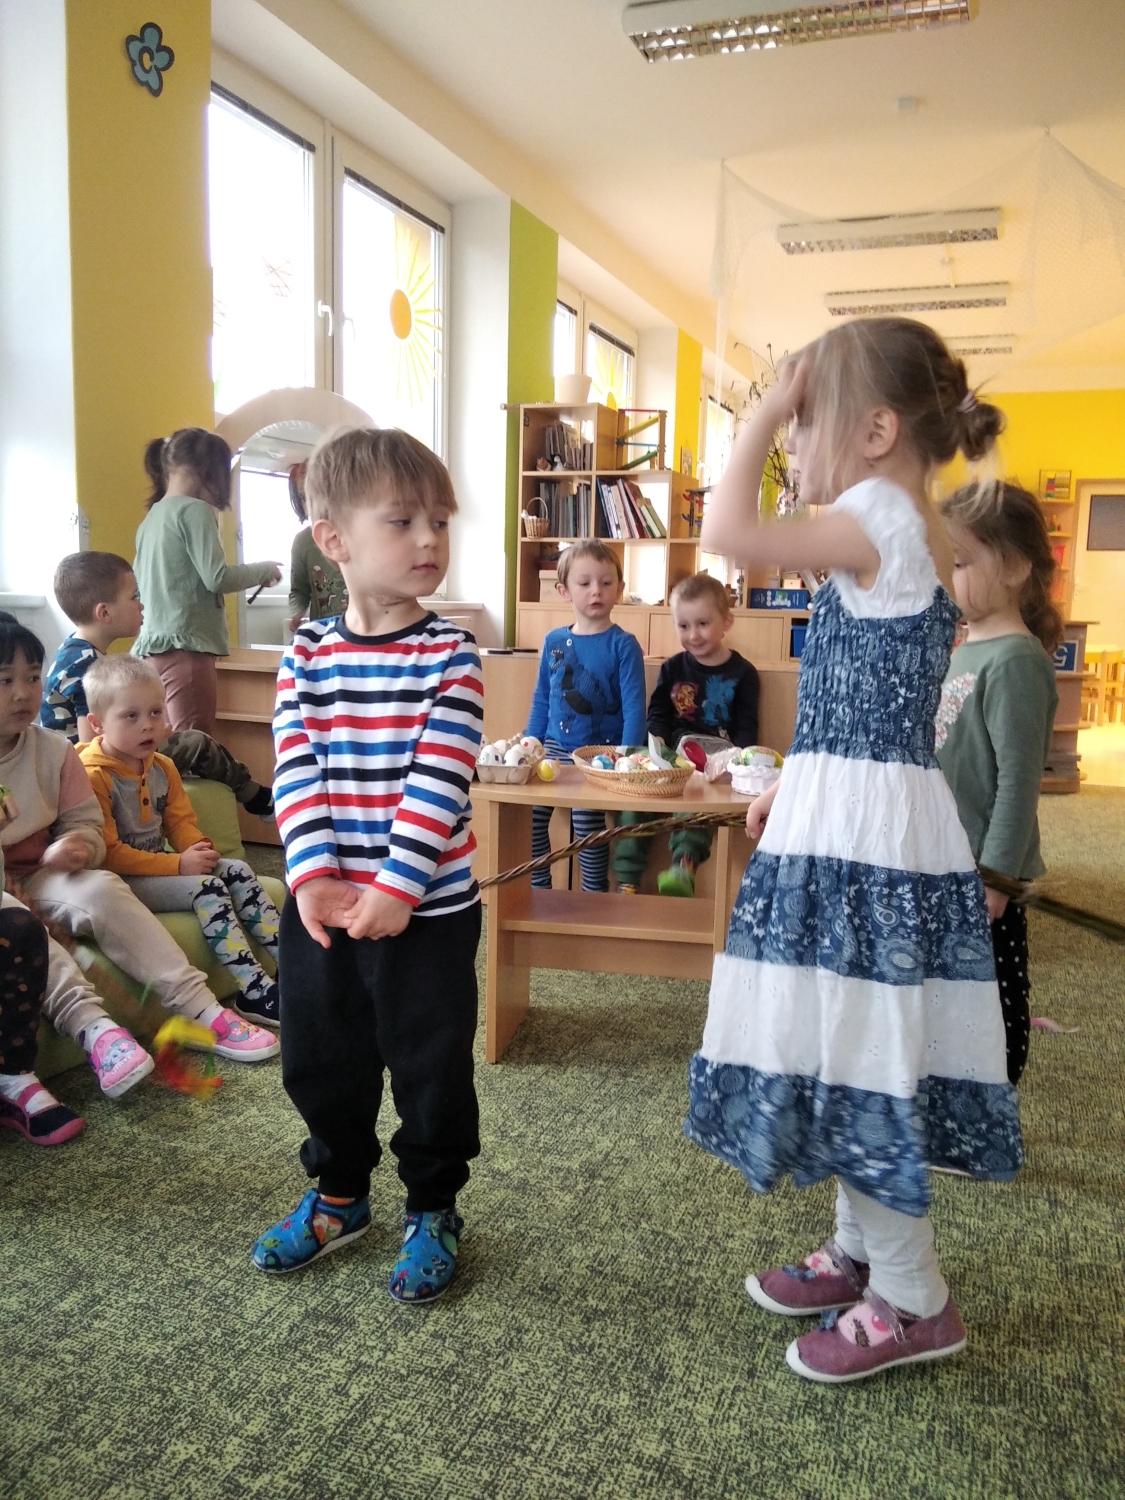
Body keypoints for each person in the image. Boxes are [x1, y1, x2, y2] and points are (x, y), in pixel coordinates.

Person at [683, 317, 1023, 1384]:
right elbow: (863, 701)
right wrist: (797, 780)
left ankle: (914, 1298)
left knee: (860, 1051)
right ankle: (861, 1251)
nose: (795, 442)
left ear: (876, 432)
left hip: (865, 840)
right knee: (849, 1039)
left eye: (809, 421)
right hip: (861, 819)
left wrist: (763, 405)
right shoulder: (907, 522)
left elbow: (727, 531)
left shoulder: (875, 512)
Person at [251, 427, 484, 1304]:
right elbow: (295, 767)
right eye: (402, 521)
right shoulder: (306, 653)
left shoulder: (450, 652)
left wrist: (396, 888)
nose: (429, 540)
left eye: (439, 521)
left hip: (426, 910)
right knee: (320, 1058)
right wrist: (311, 877)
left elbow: (439, 778)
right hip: (323, 909)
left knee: (430, 1065)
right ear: (334, 539)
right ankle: (339, 1195)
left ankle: (432, 1206)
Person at [0, 614, 279, 1067]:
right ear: (99, 723)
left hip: (49, 875)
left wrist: (77, 843)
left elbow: (88, 829)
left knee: (103, 887)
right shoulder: (93, 766)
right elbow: (113, 850)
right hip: (12, 891)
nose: (23, 693)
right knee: (26, 924)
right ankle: (98, 1032)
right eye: (5, 680)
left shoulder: (54, 750)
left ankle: (208, 1010)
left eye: (32, 677)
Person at [78, 655, 282, 1030]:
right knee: (207, 888)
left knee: (236, 870)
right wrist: (179, 865)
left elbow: (180, 822)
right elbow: (109, 855)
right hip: (121, 883)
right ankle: (253, 990)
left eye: (156, 712)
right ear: (97, 724)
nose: (148, 725)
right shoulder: (92, 776)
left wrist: (199, 849)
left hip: (160, 867)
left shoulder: (163, 766)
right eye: (131, 716)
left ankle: (294, 967)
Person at [935, 482, 1060, 1086]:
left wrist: (997, 877)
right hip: (948, 860)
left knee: (992, 998)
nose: (948, 577)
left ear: (1013, 567)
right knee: (948, 994)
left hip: (985, 874)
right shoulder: (967, 647)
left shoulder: (1016, 661)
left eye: (960, 563)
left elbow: (1018, 781)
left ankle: (993, 1097)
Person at [41, 550, 274, 817]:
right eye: (134, 597)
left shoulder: (73, 651)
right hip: (90, 773)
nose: (141, 606)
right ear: (104, 613)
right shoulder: (87, 666)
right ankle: (257, 797)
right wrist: (152, 737)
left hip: (82, 764)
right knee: (196, 743)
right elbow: (93, 747)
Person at [613, 571, 759, 897]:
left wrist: (736, 762)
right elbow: (658, 713)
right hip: (671, 755)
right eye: (683, 626)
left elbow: (746, 726)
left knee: (696, 803)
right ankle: (627, 880)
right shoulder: (673, 668)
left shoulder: (744, 673)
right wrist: (656, 742)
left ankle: (684, 867)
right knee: (638, 797)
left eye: (703, 623)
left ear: (727, 621)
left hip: (716, 761)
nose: (693, 635)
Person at [132, 427, 282, 734]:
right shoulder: (195, 511)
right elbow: (217, 577)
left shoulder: (153, 517)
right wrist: (264, 570)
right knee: (194, 743)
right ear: (208, 471)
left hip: (151, 649)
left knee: (164, 741)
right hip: (186, 648)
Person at [525, 539, 646, 893]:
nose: (596, 591)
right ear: (564, 591)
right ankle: (538, 890)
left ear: (619, 590)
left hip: (600, 754)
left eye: (606, 583)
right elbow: (542, 698)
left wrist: (625, 756)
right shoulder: (553, 641)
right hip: (553, 748)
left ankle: (595, 894)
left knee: (585, 819)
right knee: (530, 815)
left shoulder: (623, 644)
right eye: (585, 583)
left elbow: (634, 706)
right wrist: (530, 743)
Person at [286, 460, 347, 632]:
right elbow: (298, 590)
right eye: (303, 498)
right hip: (324, 633)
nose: (310, 506)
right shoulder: (302, 542)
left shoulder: (357, 535)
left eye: (316, 496)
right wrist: (297, 612)